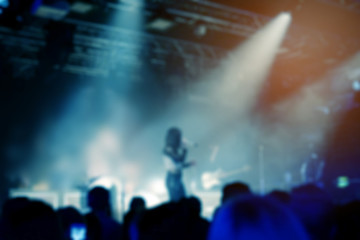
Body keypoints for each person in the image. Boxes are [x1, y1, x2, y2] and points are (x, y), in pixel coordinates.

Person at [163, 127, 193, 202]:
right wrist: (184, 149)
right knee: (176, 202)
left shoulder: (173, 149)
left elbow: (179, 164)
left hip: (176, 177)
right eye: (179, 136)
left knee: (182, 201)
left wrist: (189, 164)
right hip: (172, 178)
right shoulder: (168, 149)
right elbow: (179, 159)